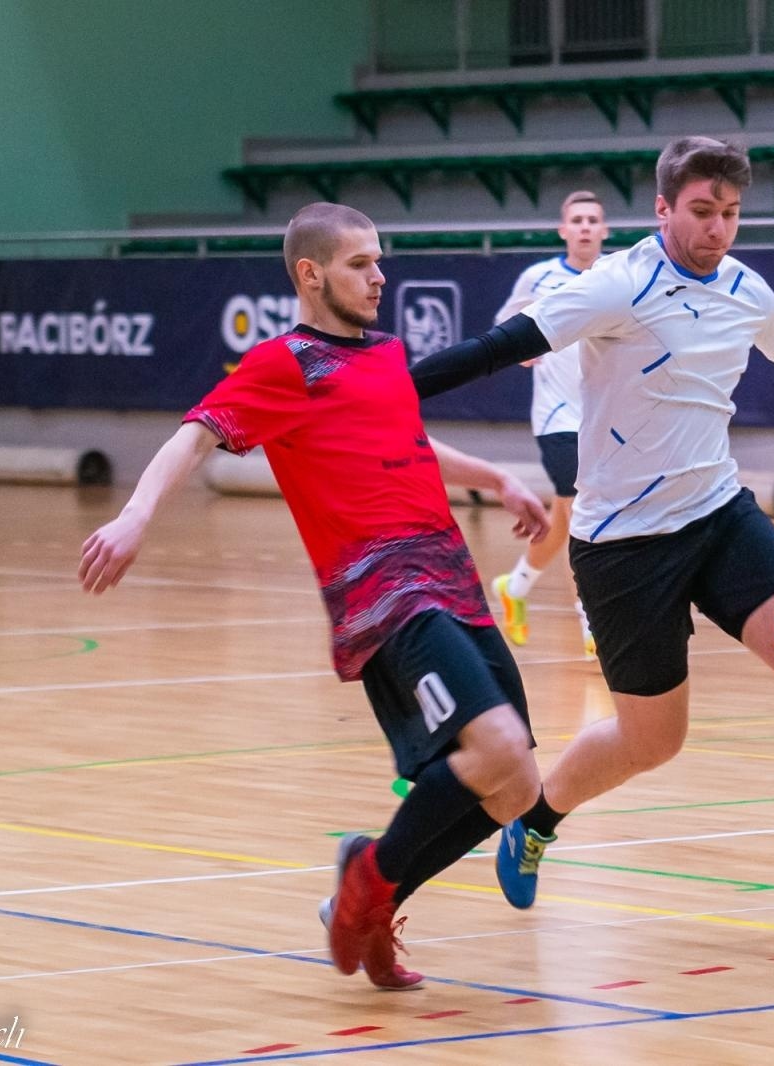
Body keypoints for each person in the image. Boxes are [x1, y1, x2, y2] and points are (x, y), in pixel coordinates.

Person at [408, 137, 774, 912]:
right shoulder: (618, 285)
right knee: (653, 740)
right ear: (664, 208)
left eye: (731, 214)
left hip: (718, 514)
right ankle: (536, 821)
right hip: (623, 546)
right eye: (702, 211)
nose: (718, 229)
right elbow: (501, 347)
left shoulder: (743, 287)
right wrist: (389, 393)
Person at [77, 202, 549, 991]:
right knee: (495, 747)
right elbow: (193, 434)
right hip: (385, 597)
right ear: (311, 273)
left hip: (454, 583)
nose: (379, 277)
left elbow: (407, 440)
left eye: (379, 261)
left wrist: (496, 476)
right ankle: (367, 871)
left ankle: (366, 904)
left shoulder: (386, 354)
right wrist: (133, 517)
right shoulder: (286, 363)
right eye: (361, 263)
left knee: (519, 788)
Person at [488, 190, 607, 658]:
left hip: (603, 418)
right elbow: (505, 327)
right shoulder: (538, 278)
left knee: (562, 520)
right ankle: (591, 622)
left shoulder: (618, 277)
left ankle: (515, 587)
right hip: (557, 417)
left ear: (603, 230)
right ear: (563, 230)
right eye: (575, 219)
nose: (583, 227)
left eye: (591, 220)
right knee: (579, 513)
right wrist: (521, 349)